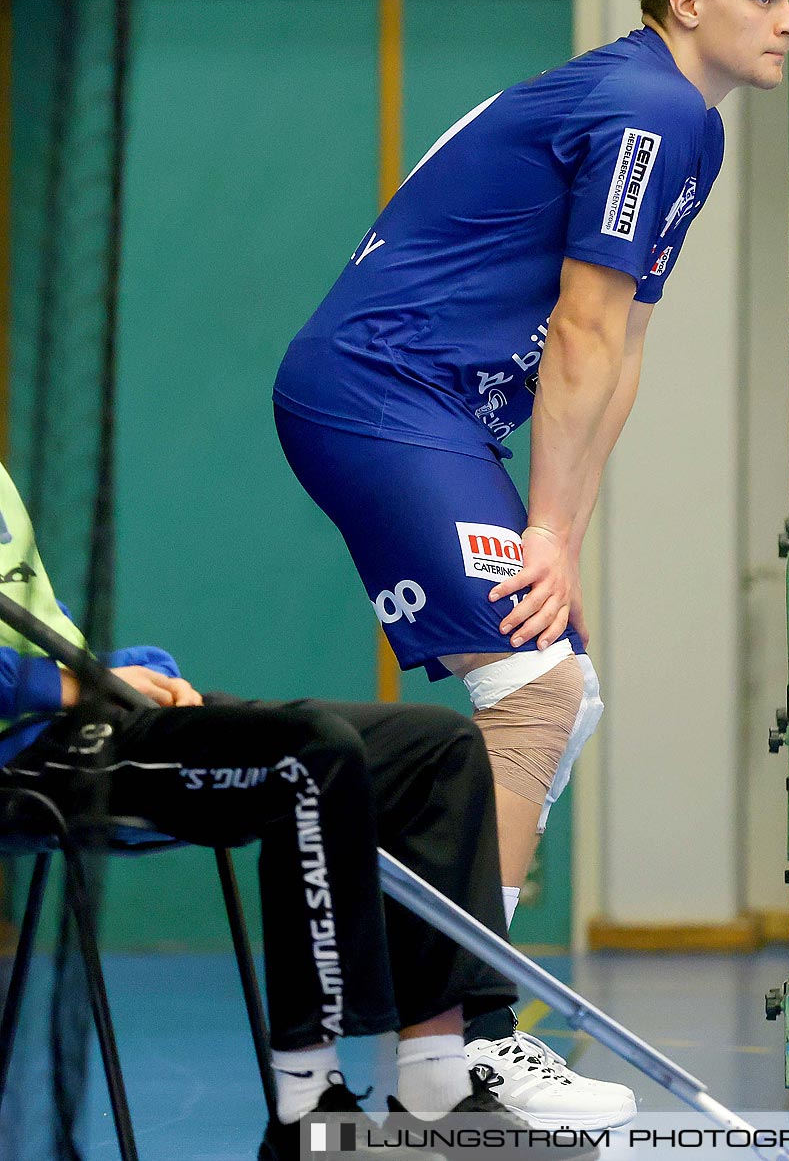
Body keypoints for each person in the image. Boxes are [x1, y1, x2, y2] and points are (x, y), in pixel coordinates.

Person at [269, 0, 789, 1121]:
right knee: (539, 690)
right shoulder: (648, 106)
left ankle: (441, 1038)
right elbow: (577, 334)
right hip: (381, 390)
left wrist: (566, 543)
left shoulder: (690, 128)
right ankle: (458, 1054)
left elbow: (619, 355)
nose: (788, 20)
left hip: (428, 409)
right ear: (687, 0)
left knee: (561, 687)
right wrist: (547, 530)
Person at [0, 461, 615, 1160]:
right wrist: (70, 683)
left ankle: (436, 1089)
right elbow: (37, 673)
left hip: (89, 713)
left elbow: (40, 634)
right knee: (305, 757)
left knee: (436, 749)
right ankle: (307, 1114)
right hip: (29, 758)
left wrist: (124, 668)